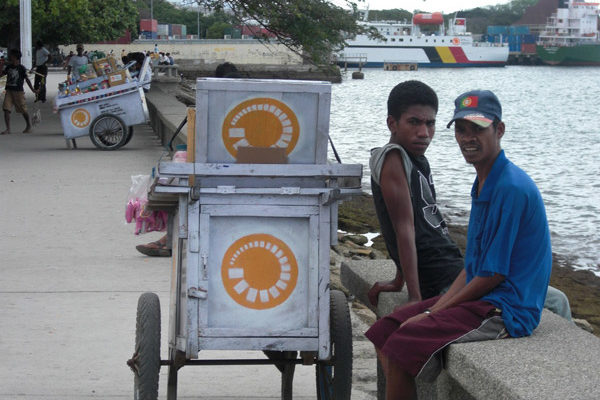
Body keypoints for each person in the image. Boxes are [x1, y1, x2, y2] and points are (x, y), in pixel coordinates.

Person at [366, 88, 554, 399]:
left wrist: (429, 314)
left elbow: (492, 275)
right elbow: (473, 267)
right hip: (484, 297)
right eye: (462, 130)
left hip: (506, 308)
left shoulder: (510, 187)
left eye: (478, 129)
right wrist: (434, 310)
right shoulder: (484, 181)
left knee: (402, 343)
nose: (468, 138)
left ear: (499, 130)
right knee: (384, 331)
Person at [367, 81, 571, 321]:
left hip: (453, 271)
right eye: (414, 122)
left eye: (430, 123)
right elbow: (404, 228)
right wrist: (414, 296)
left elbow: (416, 224)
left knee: (555, 299)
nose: (424, 132)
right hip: (443, 279)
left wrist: (398, 278)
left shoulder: (416, 159)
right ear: (392, 123)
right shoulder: (393, 158)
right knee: (557, 302)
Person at [135, 62, 241, 257]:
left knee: (181, 192)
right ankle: (169, 240)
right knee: (181, 188)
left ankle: (168, 241)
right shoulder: (243, 109)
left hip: (221, 176)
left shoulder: (218, 108)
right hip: (228, 173)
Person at [1, 49, 37, 135]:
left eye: (12, 56)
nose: (10, 57)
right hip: (9, 90)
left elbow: (27, 80)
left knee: (23, 110)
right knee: (6, 109)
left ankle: (28, 125)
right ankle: (8, 129)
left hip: (18, 92)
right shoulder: (8, 67)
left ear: (16, 57)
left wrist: (33, 90)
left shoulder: (21, 68)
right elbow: (2, 74)